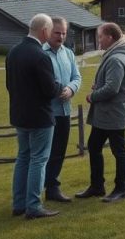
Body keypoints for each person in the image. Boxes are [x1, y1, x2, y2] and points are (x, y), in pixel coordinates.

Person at [6, 13, 72, 219]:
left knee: (23, 158)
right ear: (44, 31)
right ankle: (33, 206)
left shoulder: (13, 52)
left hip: (19, 115)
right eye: (52, 30)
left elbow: (10, 85)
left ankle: (19, 204)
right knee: (38, 160)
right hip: (40, 117)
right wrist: (61, 87)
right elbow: (49, 89)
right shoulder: (40, 56)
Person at [76, 22, 125, 203]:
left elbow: (112, 88)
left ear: (110, 37)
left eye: (100, 36)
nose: (98, 40)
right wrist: (100, 86)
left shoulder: (117, 58)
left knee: (119, 150)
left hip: (113, 113)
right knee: (94, 146)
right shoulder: (117, 54)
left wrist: (93, 96)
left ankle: (121, 189)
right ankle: (97, 186)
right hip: (107, 114)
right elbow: (111, 83)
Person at [43, 16, 82, 203]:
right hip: (47, 112)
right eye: (57, 33)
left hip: (65, 112)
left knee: (59, 152)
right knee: (44, 154)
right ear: (48, 31)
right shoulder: (41, 53)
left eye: (64, 33)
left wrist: (71, 88)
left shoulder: (68, 53)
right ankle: (37, 189)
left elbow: (77, 76)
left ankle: (52, 188)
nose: (61, 36)